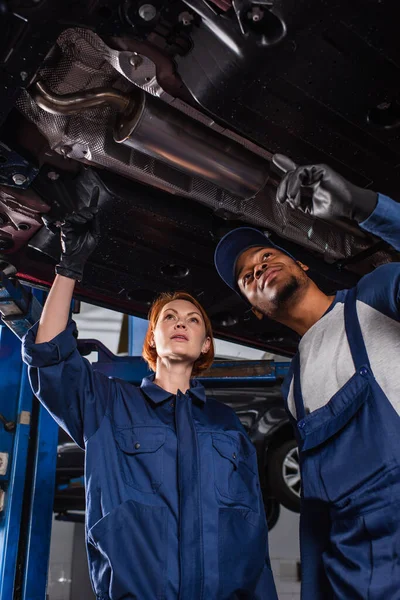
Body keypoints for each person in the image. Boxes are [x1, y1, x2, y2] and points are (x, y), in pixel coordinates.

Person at [21, 204, 278, 600]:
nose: (181, 322)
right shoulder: (107, 404)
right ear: (152, 339)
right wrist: (68, 267)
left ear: (206, 343)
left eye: (194, 320)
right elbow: (51, 356)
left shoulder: (226, 423)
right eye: (169, 317)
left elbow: (252, 530)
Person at [214, 159, 400, 600]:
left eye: (265, 256)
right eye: (247, 276)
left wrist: (362, 206)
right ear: (254, 308)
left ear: (301, 264)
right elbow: (317, 517)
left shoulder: (374, 298)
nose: (259, 268)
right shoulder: (293, 389)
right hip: (359, 579)